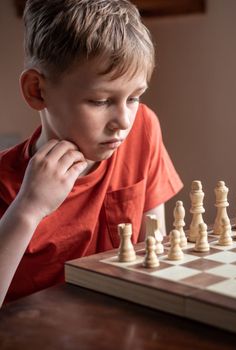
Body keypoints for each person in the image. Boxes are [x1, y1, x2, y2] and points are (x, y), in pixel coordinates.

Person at [0, 0, 183, 305]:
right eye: (100, 101)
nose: (123, 122)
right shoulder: (6, 183)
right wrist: (28, 210)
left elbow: (154, 254)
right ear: (37, 90)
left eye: (135, 97)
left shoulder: (142, 129)